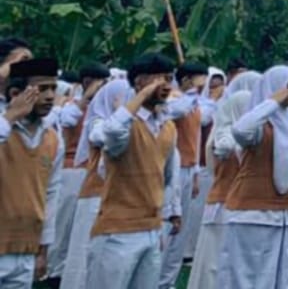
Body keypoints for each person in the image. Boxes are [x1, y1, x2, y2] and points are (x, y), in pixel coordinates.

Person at [87, 53, 181, 289]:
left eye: (169, 80)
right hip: (117, 230)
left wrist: (168, 215)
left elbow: (168, 177)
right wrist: (139, 98)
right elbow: (111, 133)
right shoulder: (125, 123)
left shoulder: (167, 126)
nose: (166, 87)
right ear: (140, 82)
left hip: (150, 228)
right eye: (160, 80)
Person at [221, 63, 288, 289]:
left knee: (271, 280)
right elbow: (240, 130)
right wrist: (272, 101)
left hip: (281, 214)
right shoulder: (260, 125)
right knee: (246, 279)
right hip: (252, 213)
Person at [186, 72, 259, 289]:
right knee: (213, 262)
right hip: (222, 204)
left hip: (242, 205)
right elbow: (224, 149)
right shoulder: (224, 135)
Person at [59, 77, 130, 289]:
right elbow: (105, 137)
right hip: (95, 197)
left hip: (119, 197)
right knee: (84, 253)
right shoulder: (98, 123)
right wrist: (121, 115)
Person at [0, 56, 62, 289]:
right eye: (42, 89)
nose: (49, 96)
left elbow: (50, 196)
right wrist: (10, 117)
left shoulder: (52, 138)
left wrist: (43, 250)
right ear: (16, 93)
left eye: (53, 88)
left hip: (25, 249)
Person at [46, 61, 108, 284]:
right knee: (61, 224)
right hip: (70, 171)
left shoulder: (105, 107)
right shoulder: (71, 105)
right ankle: (52, 269)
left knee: (77, 227)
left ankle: (64, 270)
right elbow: (68, 120)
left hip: (89, 174)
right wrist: (85, 100)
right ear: (87, 82)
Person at [157, 60, 211, 289]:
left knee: (182, 228)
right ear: (188, 79)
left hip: (190, 168)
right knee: (168, 223)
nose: (203, 84)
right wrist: (191, 92)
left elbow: (197, 136)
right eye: (200, 78)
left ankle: (167, 281)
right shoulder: (175, 98)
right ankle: (154, 276)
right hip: (173, 169)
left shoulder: (195, 103)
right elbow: (174, 111)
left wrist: (197, 171)